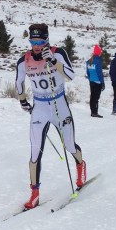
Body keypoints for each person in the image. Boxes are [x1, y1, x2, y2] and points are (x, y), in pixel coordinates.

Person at [15, 23, 87, 210]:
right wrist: (23, 100)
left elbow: (71, 76)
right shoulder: (24, 60)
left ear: (46, 40)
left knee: (69, 145)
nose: (36, 46)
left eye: (40, 41)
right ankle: (34, 193)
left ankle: (80, 165)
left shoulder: (58, 53)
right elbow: (19, 82)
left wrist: (54, 62)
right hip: (39, 107)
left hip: (59, 105)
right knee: (34, 152)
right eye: (33, 41)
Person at [85, 44, 106, 117]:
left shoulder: (89, 61)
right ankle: (95, 113)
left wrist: (90, 79)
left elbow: (88, 72)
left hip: (91, 82)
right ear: (98, 52)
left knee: (92, 97)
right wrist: (102, 83)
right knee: (96, 98)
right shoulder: (98, 61)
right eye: (100, 52)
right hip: (97, 82)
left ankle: (92, 112)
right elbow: (99, 73)